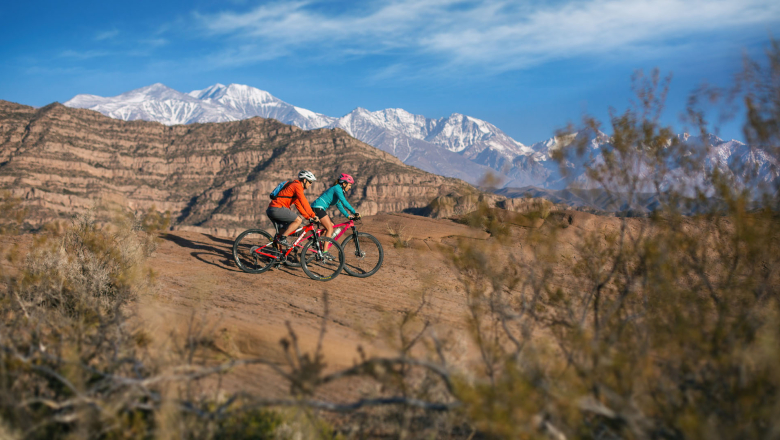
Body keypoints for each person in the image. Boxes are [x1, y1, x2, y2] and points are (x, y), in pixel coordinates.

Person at [266, 170, 319, 247]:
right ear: (304, 180)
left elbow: (299, 206)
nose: (311, 184)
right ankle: (283, 239)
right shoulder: (297, 186)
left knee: (281, 232)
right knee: (298, 220)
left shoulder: (294, 187)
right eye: (310, 182)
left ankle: (275, 255)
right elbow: (304, 201)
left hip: (271, 209)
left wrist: (308, 217)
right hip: (278, 208)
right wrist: (313, 215)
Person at [311, 173, 360, 251]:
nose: (350, 187)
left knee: (332, 225)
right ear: (344, 183)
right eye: (350, 185)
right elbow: (344, 202)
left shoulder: (338, 190)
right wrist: (354, 212)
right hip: (318, 208)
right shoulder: (337, 188)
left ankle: (315, 239)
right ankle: (325, 251)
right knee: (329, 229)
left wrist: (348, 216)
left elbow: (340, 206)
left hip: (318, 208)